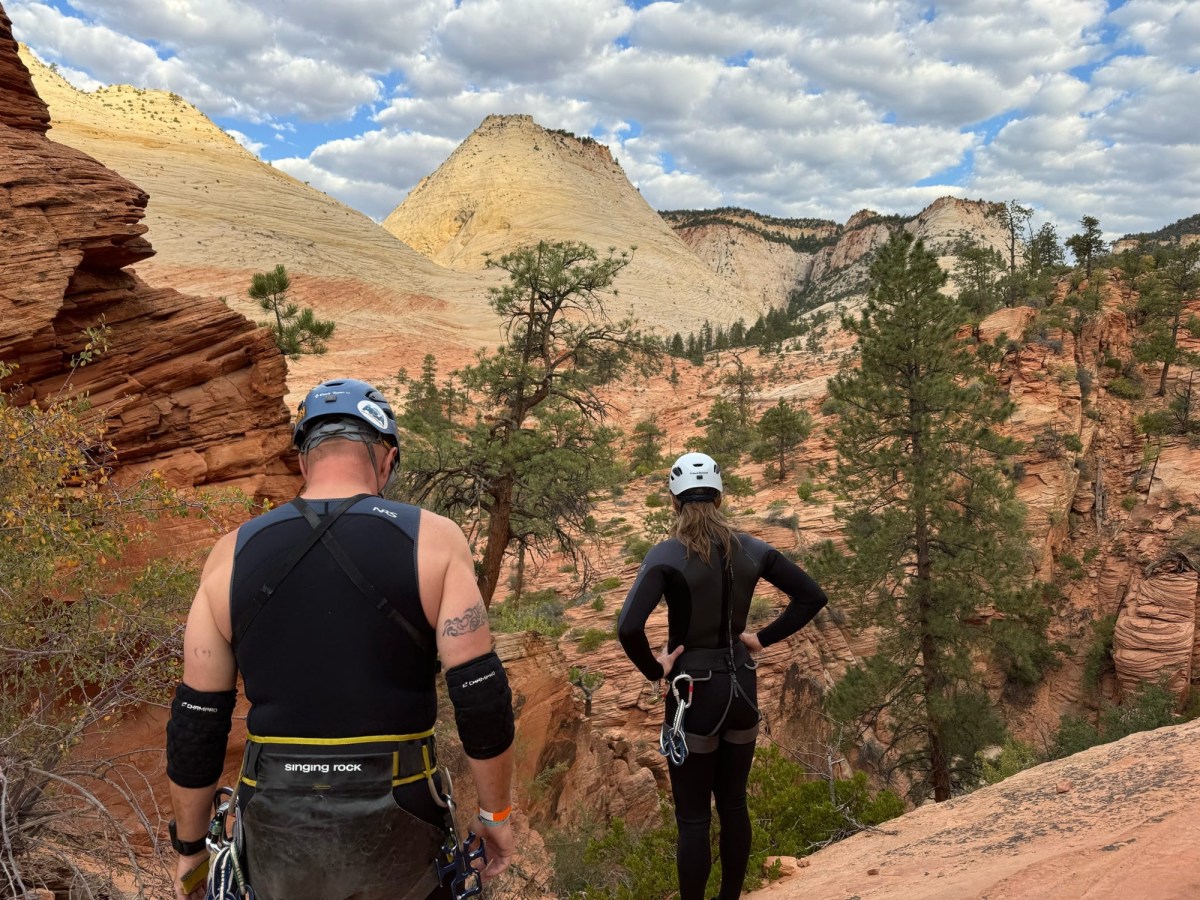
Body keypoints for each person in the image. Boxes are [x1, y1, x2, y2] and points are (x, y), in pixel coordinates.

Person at [165, 378, 516, 900]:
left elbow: (197, 722)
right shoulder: (434, 540)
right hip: (401, 817)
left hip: (274, 823)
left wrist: (191, 849)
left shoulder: (228, 555)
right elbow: (480, 695)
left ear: (304, 462)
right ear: (386, 459)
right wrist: (495, 815)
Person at [617, 452, 828, 900]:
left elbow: (629, 628)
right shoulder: (751, 548)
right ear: (719, 497)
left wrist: (656, 669)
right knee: (733, 804)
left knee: (693, 818)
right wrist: (761, 639)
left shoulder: (667, 555)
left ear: (674, 500)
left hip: (694, 694)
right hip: (742, 689)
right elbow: (811, 596)